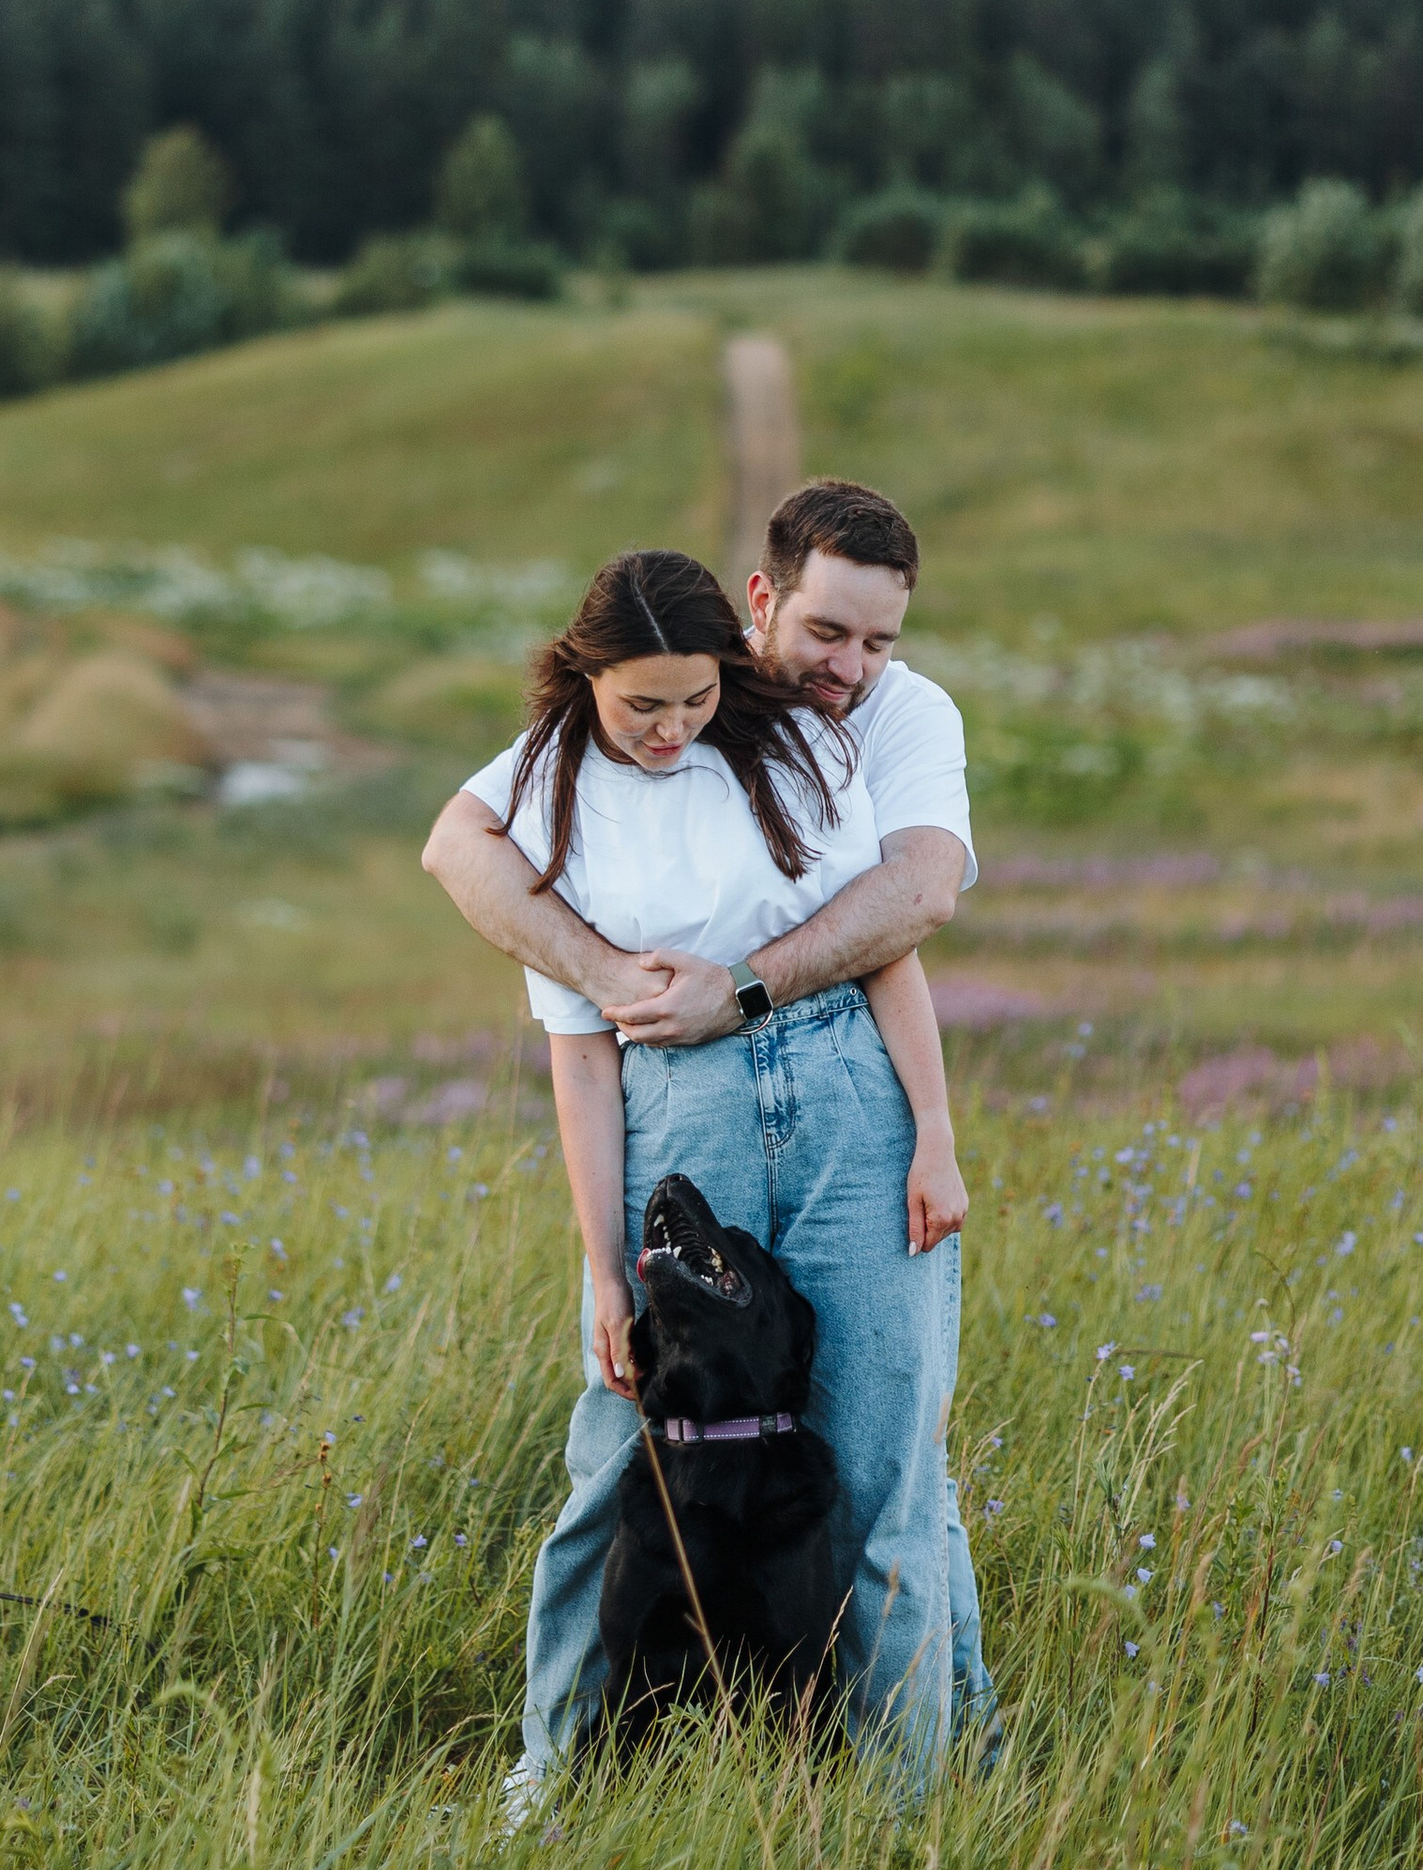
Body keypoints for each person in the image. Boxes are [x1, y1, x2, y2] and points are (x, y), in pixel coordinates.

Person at [424, 478, 996, 1776]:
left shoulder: (829, 737)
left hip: (847, 1094)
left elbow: (907, 915)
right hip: (681, 1112)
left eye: (879, 641)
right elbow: (463, 859)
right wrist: (597, 1264)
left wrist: (938, 1134)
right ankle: (550, 1780)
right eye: (828, 634)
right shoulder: (564, 779)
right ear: (761, 607)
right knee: (616, 1446)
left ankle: (916, 1801)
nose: (852, 668)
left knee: (886, 1463)